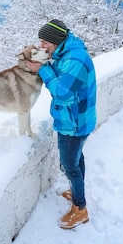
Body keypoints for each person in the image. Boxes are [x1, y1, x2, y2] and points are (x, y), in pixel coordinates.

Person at [26, 19, 97, 229]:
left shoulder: (76, 59)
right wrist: (40, 61)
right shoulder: (65, 53)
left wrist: (42, 70)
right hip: (76, 118)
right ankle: (77, 192)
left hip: (74, 122)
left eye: (45, 42)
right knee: (77, 158)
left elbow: (63, 92)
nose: (42, 46)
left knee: (69, 165)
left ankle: (80, 208)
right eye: (40, 41)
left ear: (57, 40)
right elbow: (60, 73)